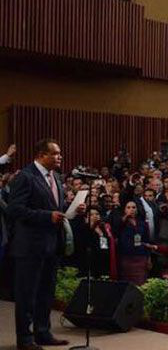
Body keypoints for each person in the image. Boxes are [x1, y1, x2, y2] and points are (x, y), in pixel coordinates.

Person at [7, 139, 70, 349]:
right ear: (42, 155)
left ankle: (43, 333)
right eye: (55, 153)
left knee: (46, 293)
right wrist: (47, 216)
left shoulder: (56, 177)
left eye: (59, 153)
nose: (60, 157)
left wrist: (70, 209)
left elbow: (53, 205)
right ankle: (25, 339)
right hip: (29, 246)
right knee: (27, 295)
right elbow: (15, 210)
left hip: (52, 245)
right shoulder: (25, 177)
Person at [115, 201, 151, 285]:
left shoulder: (143, 223)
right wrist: (126, 217)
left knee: (141, 282)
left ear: (137, 210)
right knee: (127, 283)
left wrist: (149, 258)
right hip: (126, 256)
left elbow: (147, 241)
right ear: (124, 210)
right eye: (128, 207)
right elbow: (116, 229)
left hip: (141, 255)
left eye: (133, 207)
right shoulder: (121, 222)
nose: (131, 209)